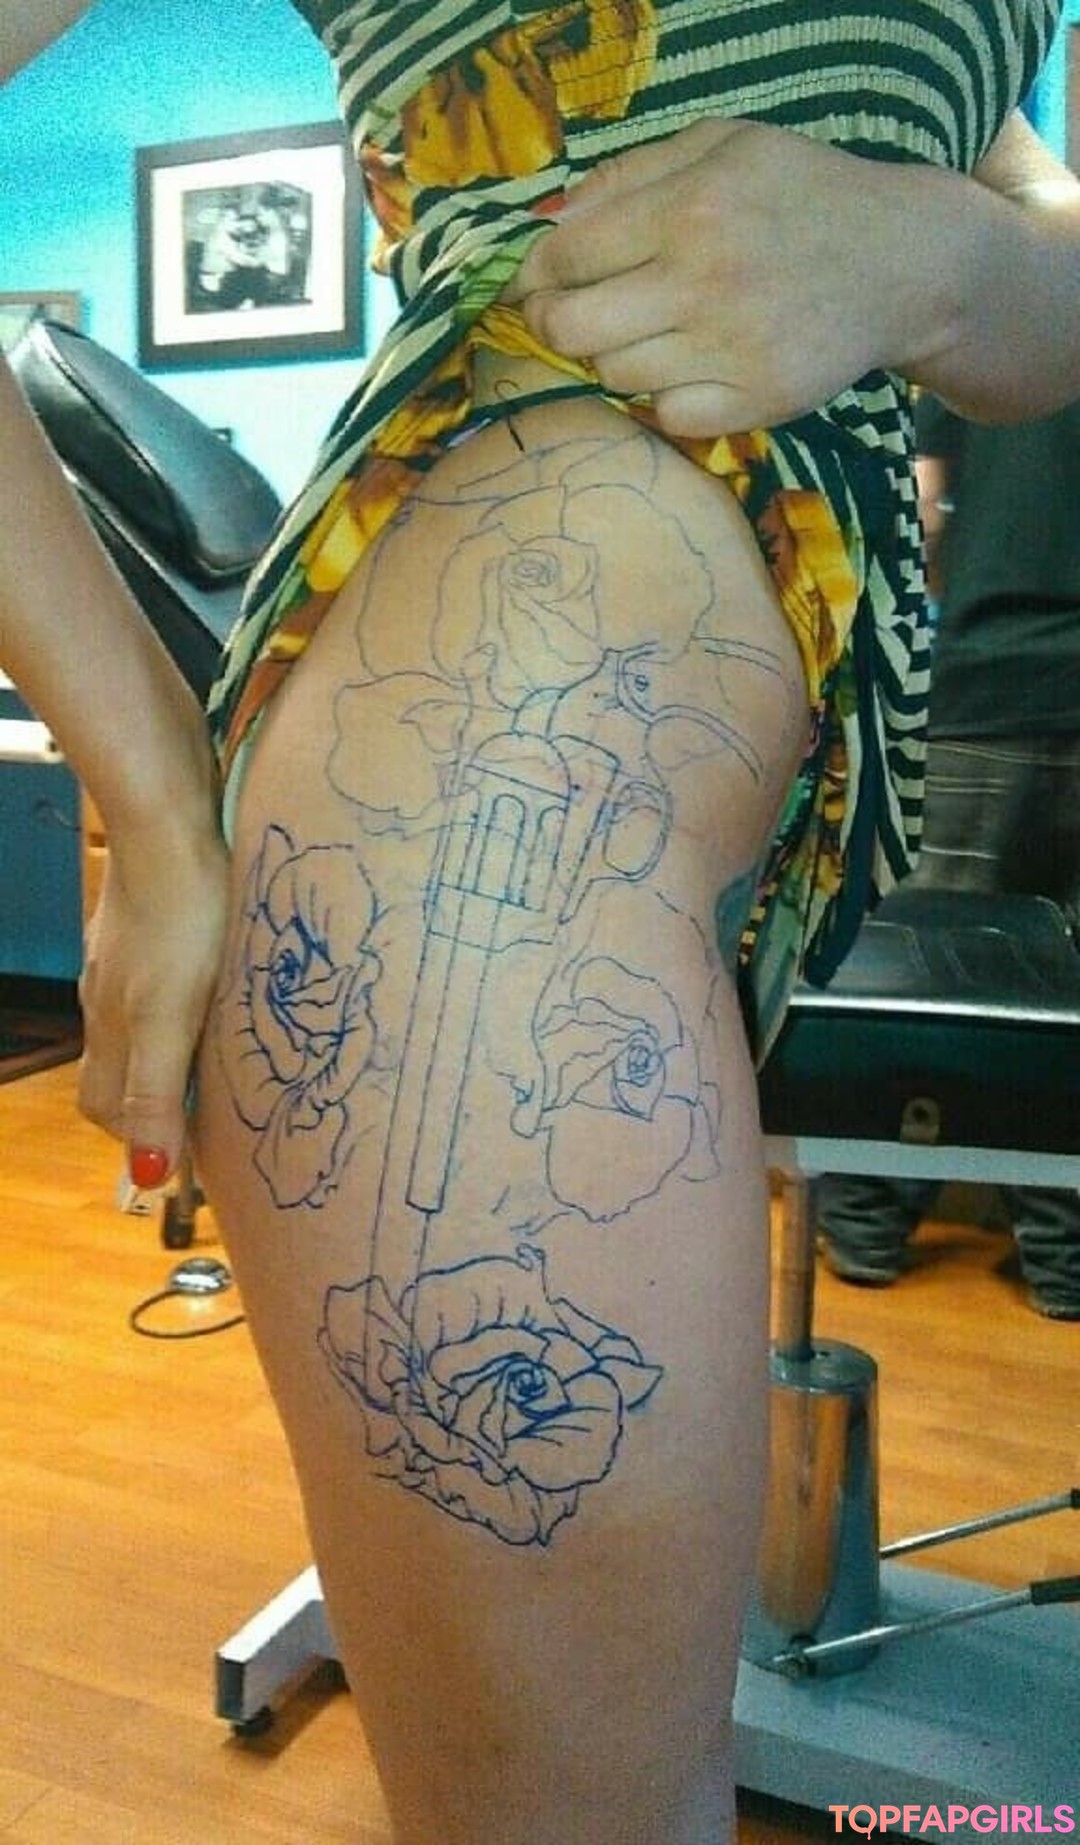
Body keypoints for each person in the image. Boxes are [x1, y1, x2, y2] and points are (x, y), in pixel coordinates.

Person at [5, 4, 1080, 1842]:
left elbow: (1038, 282)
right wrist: (153, 804)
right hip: (454, 850)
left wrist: (935, 258)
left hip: (695, 782)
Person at [816, 392, 1080, 1321]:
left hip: (989, 688)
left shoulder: (991, 339)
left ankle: (863, 1224)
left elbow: (921, 511)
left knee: (930, 973)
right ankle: (1064, 1263)